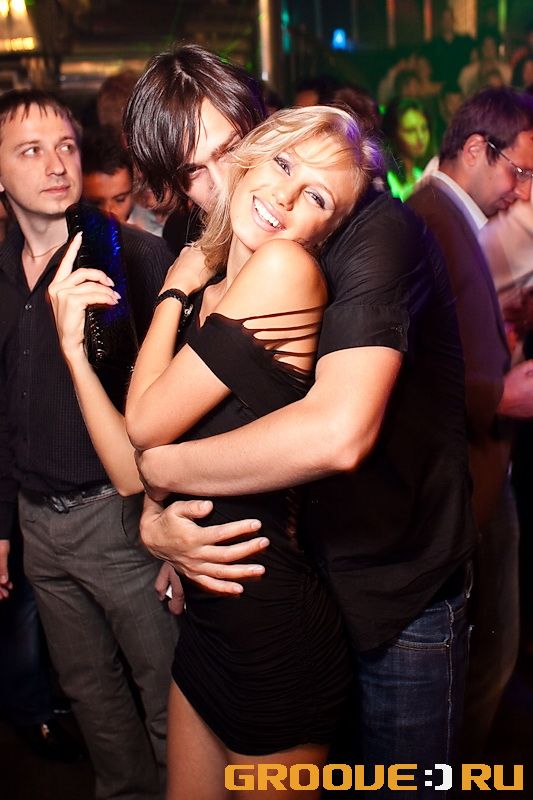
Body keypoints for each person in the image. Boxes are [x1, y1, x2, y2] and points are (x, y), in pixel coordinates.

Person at [125, 44, 476, 795]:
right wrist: (157, 524)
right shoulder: (216, 242)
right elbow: (202, 418)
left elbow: (336, 433)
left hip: (392, 588)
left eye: (229, 148)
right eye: (193, 170)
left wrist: (157, 473)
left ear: (268, 127)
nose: (220, 182)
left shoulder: (373, 230)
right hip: (287, 577)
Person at [0, 89, 179, 800]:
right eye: (30, 150)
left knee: (168, 695)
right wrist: (5, 526)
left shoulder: (132, 254)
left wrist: (167, 519)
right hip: (39, 526)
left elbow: (181, 407)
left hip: (120, 518)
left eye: (66, 147)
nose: (56, 165)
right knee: (90, 695)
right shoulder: (1, 268)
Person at [407, 86, 533, 758]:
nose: (520, 192)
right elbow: (406, 369)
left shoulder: (453, 217)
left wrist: (497, 327)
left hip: (483, 471)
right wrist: (497, 395)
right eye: (518, 171)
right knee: (481, 664)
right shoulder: (430, 218)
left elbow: (449, 333)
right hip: (462, 482)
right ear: (477, 149)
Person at [81, 127, 164, 235]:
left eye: (120, 200)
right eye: (95, 203)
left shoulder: (154, 235)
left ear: (133, 188)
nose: (109, 212)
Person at [382, 97, 434, 200]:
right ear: (393, 134)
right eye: (411, 131)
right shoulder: (386, 179)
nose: (420, 137)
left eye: (424, 129)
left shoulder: (421, 175)